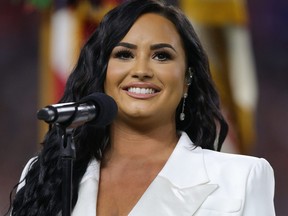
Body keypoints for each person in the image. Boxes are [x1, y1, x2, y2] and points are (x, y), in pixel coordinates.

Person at [9, 0, 275, 215]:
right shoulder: (46, 175)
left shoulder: (242, 178)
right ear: (102, 73)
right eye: (124, 54)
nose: (141, 70)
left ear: (187, 79)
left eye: (162, 56)